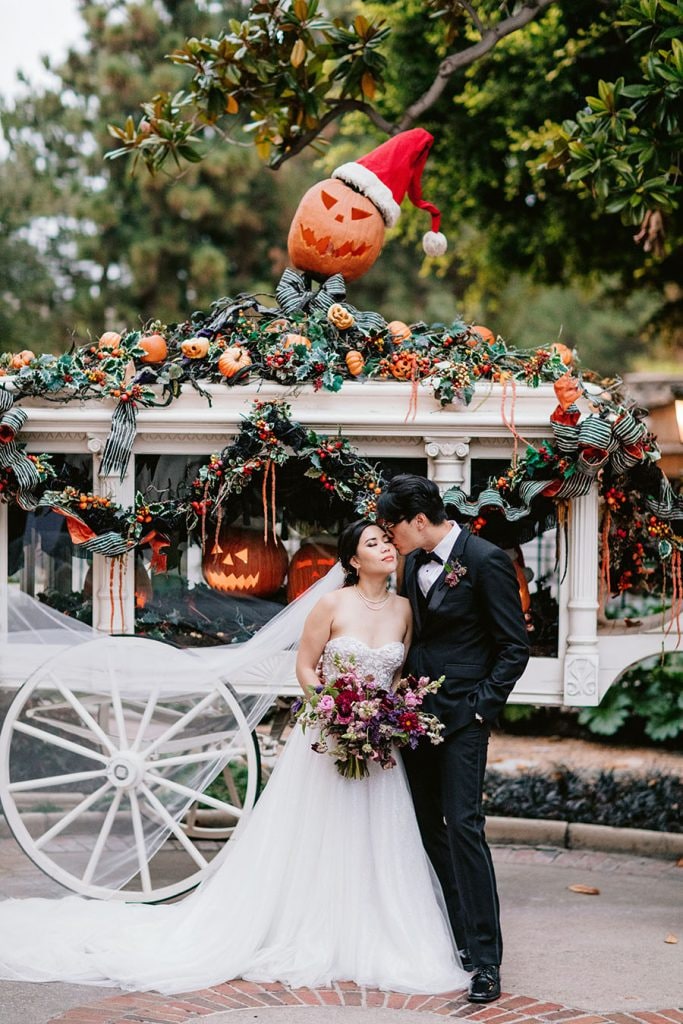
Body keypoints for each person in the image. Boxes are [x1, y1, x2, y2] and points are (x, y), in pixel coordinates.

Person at [0, 520, 469, 997]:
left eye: (387, 541)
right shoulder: (331, 603)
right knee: (315, 834)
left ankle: (369, 934)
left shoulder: (406, 611)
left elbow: (396, 675)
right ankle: (303, 929)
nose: (386, 548)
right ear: (352, 560)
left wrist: (380, 719)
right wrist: (334, 711)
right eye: (373, 543)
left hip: (375, 746)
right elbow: (305, 666)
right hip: (325, 739)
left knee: (375, 838)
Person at [377, 475, 530, 1004]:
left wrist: (481, 709)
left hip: (464, 717)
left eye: (391, 525)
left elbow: (515, 647)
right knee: (425, 825)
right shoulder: (415, 562)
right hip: (416, 718)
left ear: (419, 520)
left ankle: (487, 961)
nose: (386, 535)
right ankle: (459, 939)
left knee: (464, 826)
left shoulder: (485, 559)